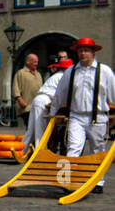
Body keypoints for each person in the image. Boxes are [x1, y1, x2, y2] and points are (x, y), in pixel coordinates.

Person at [52, 37, 114, 192]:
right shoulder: (71, 71)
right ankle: (69, 181)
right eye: (80, 51)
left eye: (86, 50)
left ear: (93, 53)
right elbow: (60, 93)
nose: (83, 53)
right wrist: (53, 113)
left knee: (97, 150)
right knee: (74, 148)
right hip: (76, 116)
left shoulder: (104, 71)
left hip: (98, 116)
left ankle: (97, 182)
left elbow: (113, 92)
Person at [23, 57, 71, 152]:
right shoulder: (64, 77)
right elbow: (60, 95)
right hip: (44, 101)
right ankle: (39, 151)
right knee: (40, 129)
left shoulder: (57, 76)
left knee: (31, 129)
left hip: (38, 99)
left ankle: (23, 149)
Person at [13, 53, 42, 130]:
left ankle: (32, 141)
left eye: (37, 62)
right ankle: (30, 141)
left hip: (37, 105)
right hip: (26, 106)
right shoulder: (21, 73)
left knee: (36, 126)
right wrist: (20, 99)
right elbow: (16, 88)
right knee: (30, 125)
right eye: (34, 61)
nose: (36, 64)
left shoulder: (38, 74)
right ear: (28, 62)